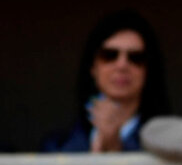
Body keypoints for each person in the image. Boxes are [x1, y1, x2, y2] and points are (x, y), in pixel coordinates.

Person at [41, 9, 170, 153]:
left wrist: (116, 147)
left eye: (135, 58)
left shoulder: (169, 147)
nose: (122, 65)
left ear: (148, 70)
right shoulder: (55, 146)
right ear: (92, 67)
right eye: (109, 55)